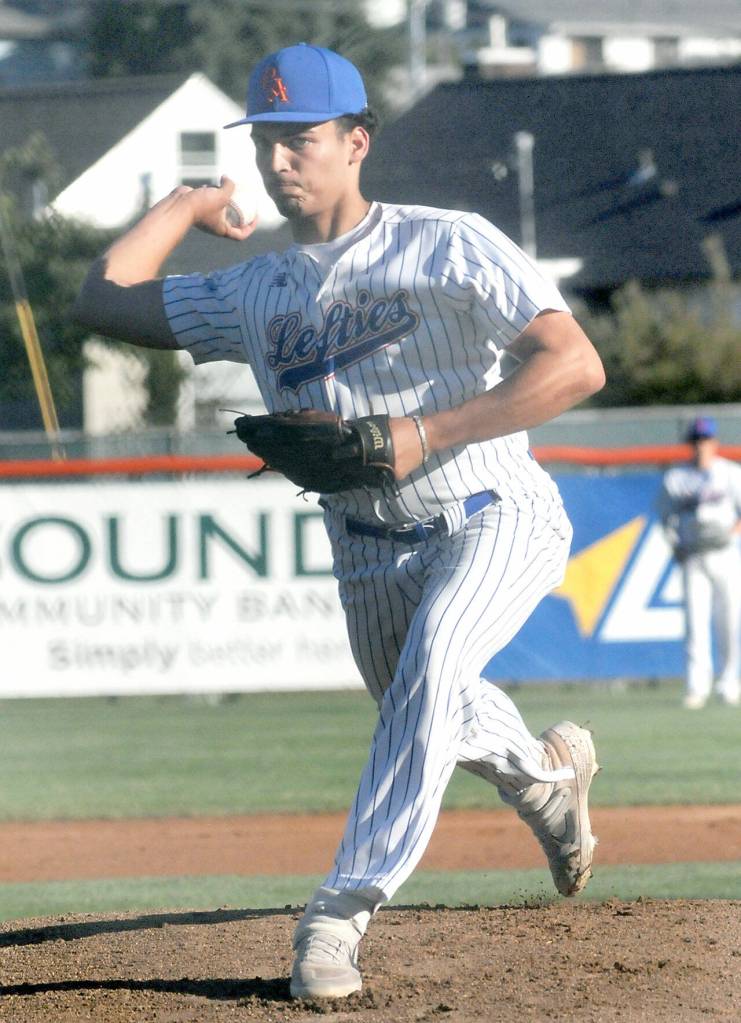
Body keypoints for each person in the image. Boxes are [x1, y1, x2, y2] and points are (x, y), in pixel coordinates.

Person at [73, 43, 606, 1001]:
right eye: (267, 141)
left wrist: (423, 430)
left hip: (491, 512)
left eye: (302, 139)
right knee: (436, 705)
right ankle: (546, 778)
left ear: (356, 142)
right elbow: (100, 299)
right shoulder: (254, 293)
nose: (281, 161)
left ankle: (339, 911)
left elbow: (573, 365)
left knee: (438, 664)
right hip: (364, 551)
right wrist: (188, 204)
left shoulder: (449, 242)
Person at [658, 415, 741, 710]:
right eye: (696, 441)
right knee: (695, 623)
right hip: (694, 555)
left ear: (715, 443)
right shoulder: (677, 478)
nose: (700, 446)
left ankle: (730, 683)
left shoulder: (731, 473)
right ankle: (697, 686)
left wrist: (731, 533)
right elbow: (665, 518)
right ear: (690, 445)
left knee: (729, 621)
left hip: (724, 554)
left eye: (705, 440)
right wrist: (675, 545)